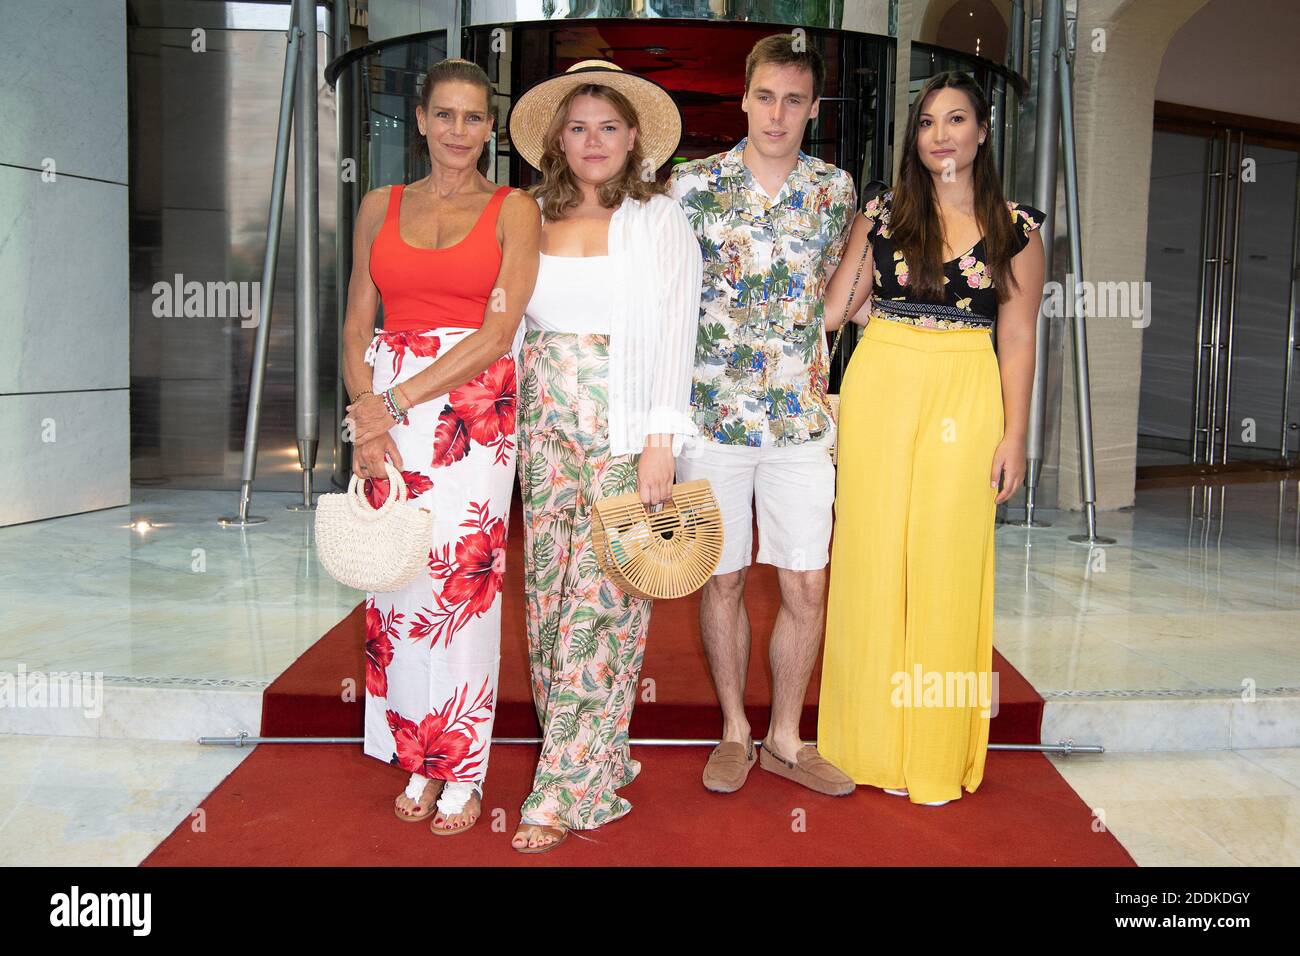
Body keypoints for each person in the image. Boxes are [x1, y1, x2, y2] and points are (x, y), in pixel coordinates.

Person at [817, 70, 1045, 806]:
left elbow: (1016, 337)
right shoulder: (882, 212)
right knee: (870, 555)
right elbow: (837, 312)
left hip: (966, 392)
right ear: (914, 138)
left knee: (948, 560)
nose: (940, 134)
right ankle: (863, 744)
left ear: (982, 132)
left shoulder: (1019, 228)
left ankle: (934, 754)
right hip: (882, 383)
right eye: (926, 122)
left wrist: (1016, 435)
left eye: (955, 120)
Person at [340, 58, 540, 834]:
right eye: (446, 115)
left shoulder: (513, 209)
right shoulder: (378, 205)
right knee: (397, 583)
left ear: (490, 127)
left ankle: (461, 769)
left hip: (470, 409)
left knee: (461, 589)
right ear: (419, 121)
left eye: (476, 118)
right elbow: (359, 321)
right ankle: (414, 756)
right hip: (385, 402)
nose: (461, 131)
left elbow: (498, 331)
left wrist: (391, 402)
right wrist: (367, 409)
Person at [505, 61, 701, 852]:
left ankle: (561, 793)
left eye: (608, 127)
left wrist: (661, 444)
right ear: (558, 138)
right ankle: (591, 753)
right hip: (541, 437)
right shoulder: (526, 216)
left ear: (634, 141)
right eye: (578, 127)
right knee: (550, 602)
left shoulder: (659, 219)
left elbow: (678, 336)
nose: (593, 141)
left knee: (606, 610)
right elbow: (510, 328)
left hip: (623, 439)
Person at [669, 34, 857, 796]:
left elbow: (845, 299)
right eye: (766, 96)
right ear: (743, 98)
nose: (778, 114)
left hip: (801, 424)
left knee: (806, 585)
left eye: (794, 100)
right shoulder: (689, 187)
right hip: (710, 420)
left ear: (812, 108)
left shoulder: (836, 191)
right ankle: (734, 732)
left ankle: (785, 735)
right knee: (721, 582)